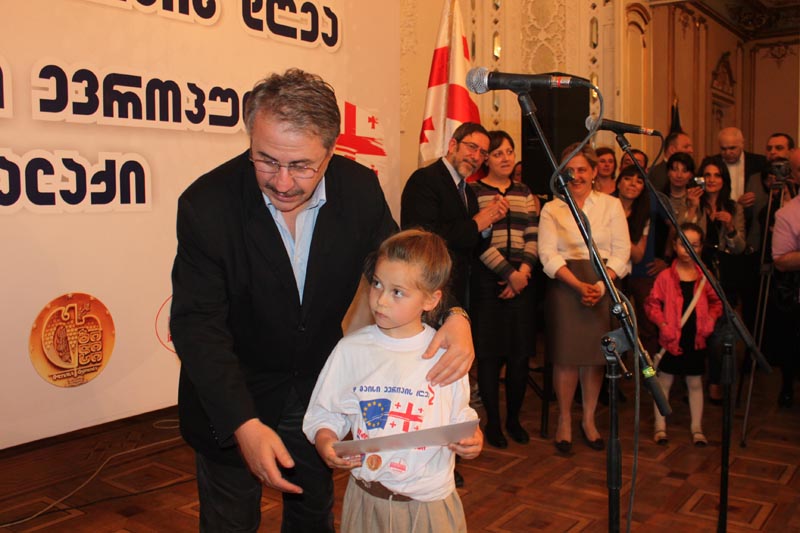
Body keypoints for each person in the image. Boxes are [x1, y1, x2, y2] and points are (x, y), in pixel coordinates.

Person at [169, 68, 474, 532]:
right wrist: (243, 424)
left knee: (313, 517)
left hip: (319, 391)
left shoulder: (358, 189)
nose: (282, 182)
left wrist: (454, 314)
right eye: (266, 160)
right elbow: (197, 325)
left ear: (331, 151)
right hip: (233, 394)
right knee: (229, 522)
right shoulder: (207, 205)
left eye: (301, 166)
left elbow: (408, 266)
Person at [302, 229, 482, 532]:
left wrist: (472, 440)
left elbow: (460, 415)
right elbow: (325, 413)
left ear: (431, 299)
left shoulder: (445, 354)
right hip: (366, 500)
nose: (381, 300)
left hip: (428, 507)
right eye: (377, 284)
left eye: (398, 292)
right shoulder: (351, 349)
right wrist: (325, 440)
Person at [538, 143, 630, 453]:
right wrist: (578, 285)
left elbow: (621, 253)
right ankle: (564, 419)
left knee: (595, 358)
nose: (576, 176)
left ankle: (589, 420)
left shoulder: (611, 205)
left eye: (582, 170)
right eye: (570, 171)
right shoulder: (553, 208)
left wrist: (601, 287)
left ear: (594, 172)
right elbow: (547, 255)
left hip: (603, 284)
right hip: (566, 285)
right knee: (566, 357)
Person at [469, 131, 539, 448]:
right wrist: (508, 273)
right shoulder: (474, 191)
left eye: (509, 152)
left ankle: (513, 419)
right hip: (488, 281)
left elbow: (533, 235)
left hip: (522, 281)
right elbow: (477, 241)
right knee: (489, 356)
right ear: (486, 159)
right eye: (498, 153)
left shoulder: (524, 191)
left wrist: (522, 272)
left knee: (519, 356)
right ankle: (494, 423)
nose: (506, 158)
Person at [401, 122, 509, 309]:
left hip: (460, 288)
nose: (476, 157)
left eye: (483, 153)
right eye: (472, 147)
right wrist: (476, 224)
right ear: (453, 145)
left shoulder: (468, 192)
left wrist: (488, 222)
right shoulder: (425, 179)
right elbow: (423, 236)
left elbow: (473, 247)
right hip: (430, 286)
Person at [645, 222, 723, 446]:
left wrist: (710, 320)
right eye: (683, 244)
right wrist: (663, 324)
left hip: (695, 339)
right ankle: (660, 426)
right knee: (664, 382)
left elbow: (717, 303)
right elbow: (652, 304)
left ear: (701, 247)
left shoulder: (705, 276)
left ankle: (696, 427)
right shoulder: (665, 277)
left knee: (695, 382)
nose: (688, 250)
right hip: (670, 339)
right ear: (674, 245)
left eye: (694, 245)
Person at [770, 190, 800, 407]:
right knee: (791, 344)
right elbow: (780, 261)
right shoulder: (788, 213)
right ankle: (788, 384)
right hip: (796, 294)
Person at [715, 127, 766, 208]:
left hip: (751, 213)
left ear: (742, 144)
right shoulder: (711, 162)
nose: (727, 152)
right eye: (723, 149)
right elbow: (699, 184)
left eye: (732, 148)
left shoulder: (759, 162)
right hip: (720, 211)